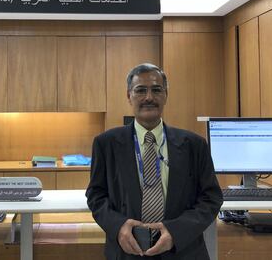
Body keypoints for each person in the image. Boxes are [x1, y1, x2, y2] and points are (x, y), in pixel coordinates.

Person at [86, 63, 223, 260]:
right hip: (127, 251)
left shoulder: (195, 145)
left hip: (182, 251)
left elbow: (211, 198)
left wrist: (176, 232)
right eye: (140, 90)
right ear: (129, 96)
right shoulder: (106, 144)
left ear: (165, 95)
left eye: (156, 90)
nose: (149, 97)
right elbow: (96, 195)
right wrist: (118, 227)